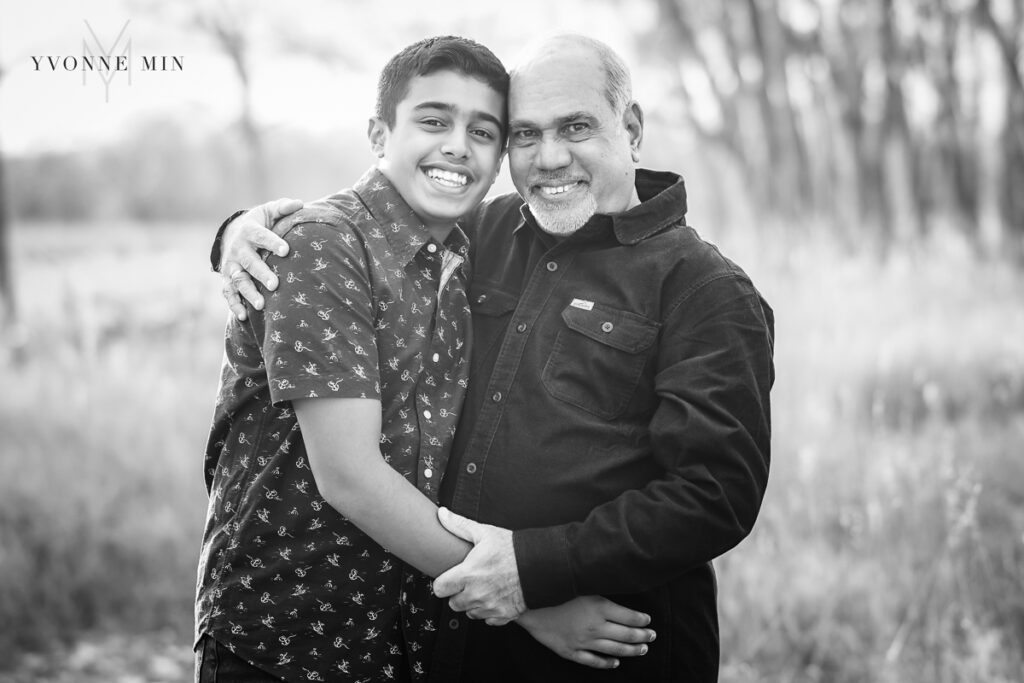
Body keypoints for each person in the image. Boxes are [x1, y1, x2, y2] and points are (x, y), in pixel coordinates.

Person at [217, 34, 774, 682]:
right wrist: (238, 232)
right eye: (525, 135)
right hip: (456, 636)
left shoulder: (704, 288)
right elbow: (361, 232)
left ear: (632, 128)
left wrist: (532, 571)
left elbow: (717, 493)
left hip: (608, 643)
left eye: (576, 127)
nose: (550, 158)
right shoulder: (483, 232)